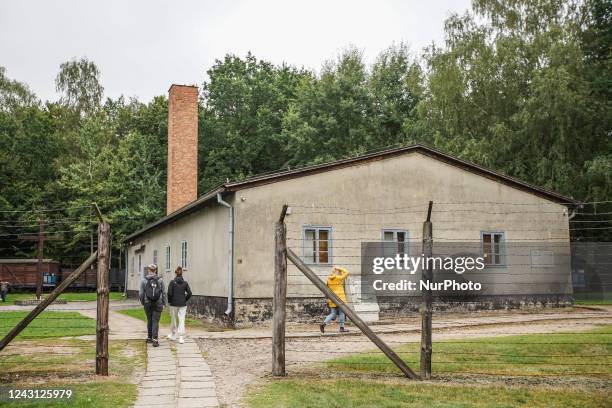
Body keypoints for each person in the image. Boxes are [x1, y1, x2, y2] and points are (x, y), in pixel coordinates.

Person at [139, 264, 166, 347]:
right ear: (155, 270)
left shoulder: (144, 280)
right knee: (155, 321)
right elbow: (164, 293)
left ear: (148, 270)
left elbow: (141, 293)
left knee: (149, 320)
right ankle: (155, 339)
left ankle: (149, 337)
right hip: (158, 303)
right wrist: (164, 303)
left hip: (147, 303)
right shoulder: (160, 280)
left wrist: (143, 302)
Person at [167, 266, 192, 344]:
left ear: (175, 273)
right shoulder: (185, 283)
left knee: (173, 319)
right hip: (182, 304)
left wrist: (170, 301)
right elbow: (190, 293)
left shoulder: (172, 282)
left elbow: (169, 293)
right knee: (182, 319)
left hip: (173, 304)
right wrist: (185, 299)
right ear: (182, 273)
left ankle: (173, 335)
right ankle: (181, 338)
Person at [320, 267, 350, 333]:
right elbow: (347, 272)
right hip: (340, 298)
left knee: (333, 313)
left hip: (332, 298)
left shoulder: (329, 279)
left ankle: (324, 324)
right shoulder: (338, 278)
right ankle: (342, 328)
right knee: (342, 313)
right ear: (337, 272)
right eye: (339, 272)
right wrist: (340, 268)